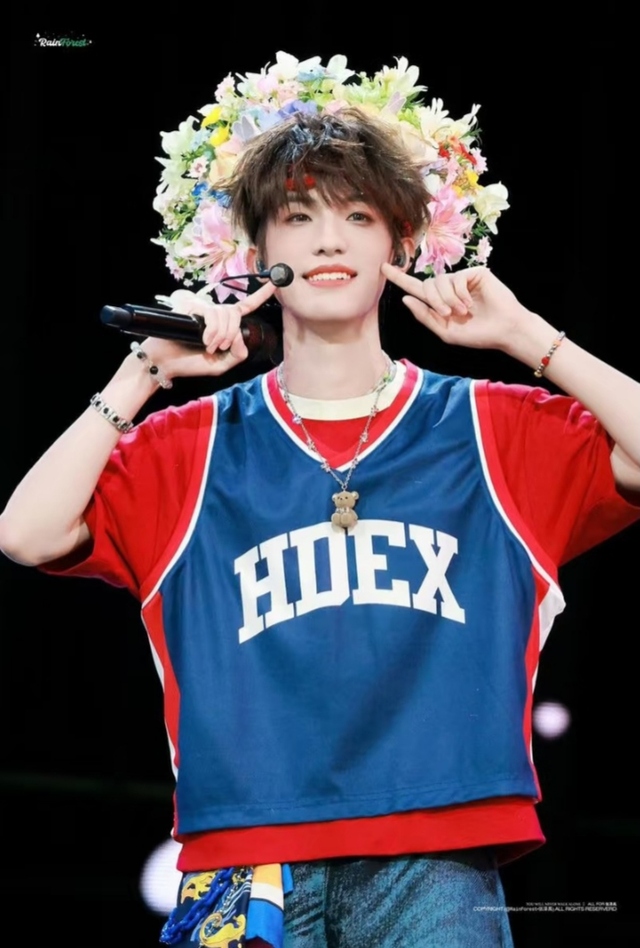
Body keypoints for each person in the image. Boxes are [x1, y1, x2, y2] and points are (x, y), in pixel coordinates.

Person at [1, 55, 639, 948]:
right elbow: (27, 534)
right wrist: (142, 372)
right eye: (298, 218)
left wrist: (530, 338)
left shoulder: (493, 427)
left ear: (403, 246)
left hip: (440, 856)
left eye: (359, 216)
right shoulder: (190, 445)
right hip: (243, 859)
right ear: (253, 255)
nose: (330, 241)